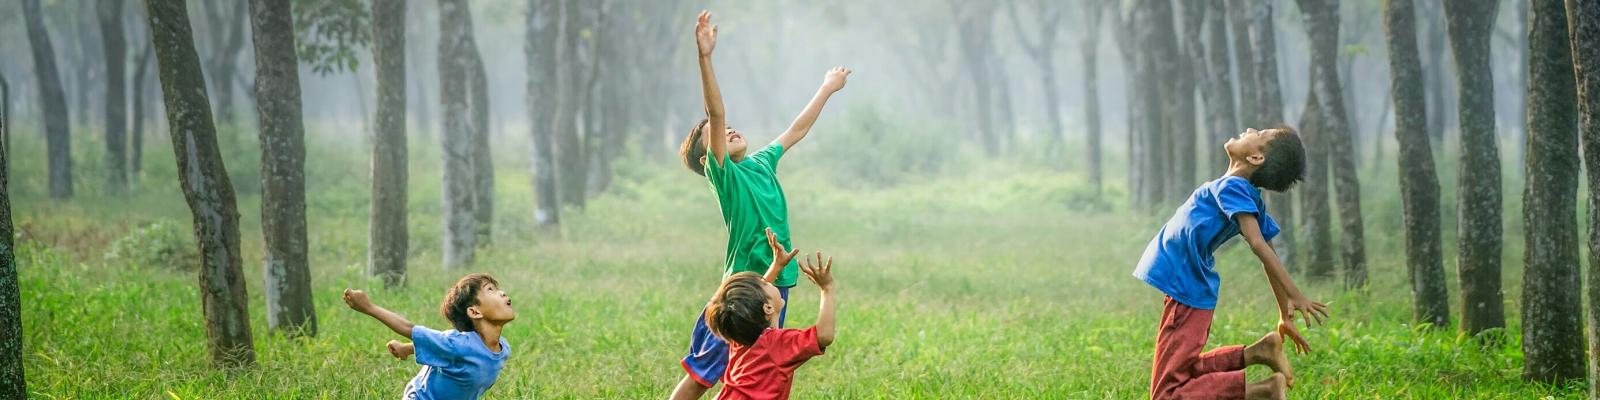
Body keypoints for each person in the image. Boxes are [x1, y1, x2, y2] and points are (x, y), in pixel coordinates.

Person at [1132, 127, 1328, 399]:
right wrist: (1284, 313)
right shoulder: (1243, 193)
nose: (1250, 129)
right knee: (1185, 369)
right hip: (1187, 290)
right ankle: (1260, 352)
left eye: (1259, 134)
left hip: (1186, 291)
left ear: (1257, 158)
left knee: (1167, 394)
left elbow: (1259, 245)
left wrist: (1295, 295)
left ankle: (1263, 391)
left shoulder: (1233, 188)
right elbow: (1268, 253)